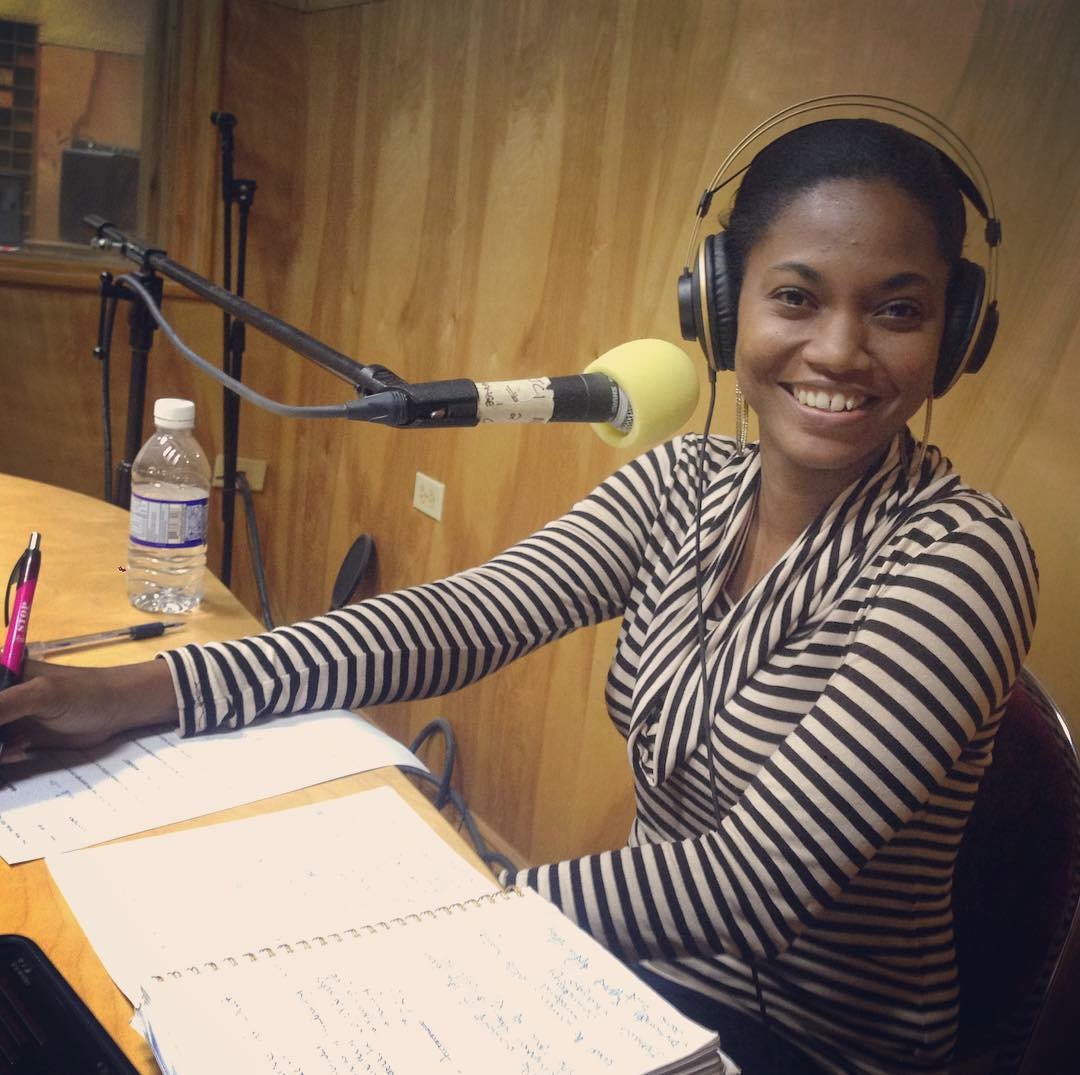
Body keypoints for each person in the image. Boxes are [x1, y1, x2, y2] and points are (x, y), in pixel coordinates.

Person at [0, 116, 1037, 1075]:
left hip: (812, 1046)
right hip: (622, 974)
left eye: (897, 309)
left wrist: (444, 907)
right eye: (797, 297)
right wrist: (138, 690)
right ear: (722, 308)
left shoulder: (964, 559)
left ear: (954, 335)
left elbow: (748, 883)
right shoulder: (683, 484)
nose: (841, 349)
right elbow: (454, 622)